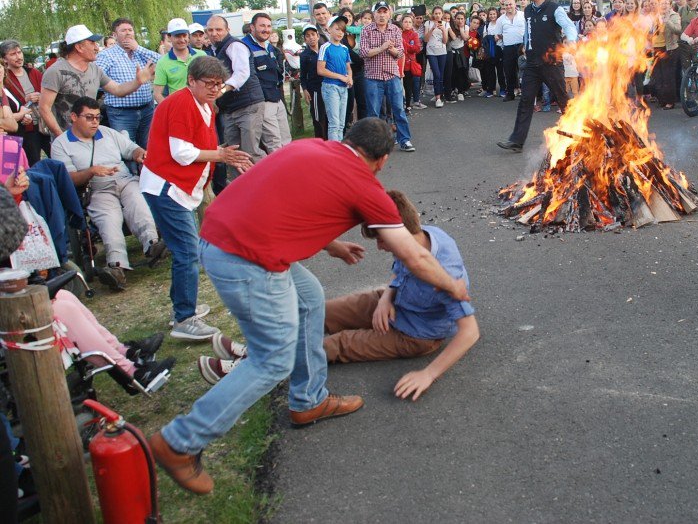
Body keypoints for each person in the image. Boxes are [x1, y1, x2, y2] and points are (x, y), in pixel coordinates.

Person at [149, 118, 470, 495]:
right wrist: (454, 286)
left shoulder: (311, 146)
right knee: (273, 361)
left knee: (309, 297)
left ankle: (308, 400)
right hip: (247, 259)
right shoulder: (367, 188)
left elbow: (285, 204)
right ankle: (180, 442)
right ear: (382, 160)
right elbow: (414, 257)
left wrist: (331, 245)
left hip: (220, 237)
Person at [322, 190, 479, 400]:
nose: (379, 247)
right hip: (396, 301)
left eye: (382, 240)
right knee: (322, 311)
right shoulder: (418, 236)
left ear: (400, 232)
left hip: (414, 335)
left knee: (337, 344)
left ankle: (279, 361)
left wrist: (428, 374)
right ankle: (274, 333)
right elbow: (400, 267)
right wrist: (386, 299)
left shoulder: (444, 274)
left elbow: (470, 332)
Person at [140, 56, 252, 340]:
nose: (215, 89)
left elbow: (202, 146)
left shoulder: (203, 105)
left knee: (187, 250)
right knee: (187, 252)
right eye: (209, 84)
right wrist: (220, 154)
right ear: (191, 81)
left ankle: (182, 308)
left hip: (177, 187)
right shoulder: (180, 103)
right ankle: (183, 318)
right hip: (166, 187)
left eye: (219, 84)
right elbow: (181, 152)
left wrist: (224, 155)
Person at [50, 96, 166, 289]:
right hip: (96, 187)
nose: (95, 122)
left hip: (124, 179)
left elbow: (131, 149)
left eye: (97, 117)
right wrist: (91, 171)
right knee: (108, 218)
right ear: (73, 117)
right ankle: (116, 266)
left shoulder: (106, 132)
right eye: (89, 117)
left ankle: (152, 243)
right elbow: (67, 178)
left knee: (138, 201)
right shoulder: (61, 144)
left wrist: (140, 155)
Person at [498, 0, 578, 152]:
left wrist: (571, 40)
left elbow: (569, 26)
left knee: (562, 98)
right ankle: (517, 141)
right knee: (526, 100)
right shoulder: (527, 10)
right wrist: (526, 46)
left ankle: (576, 134)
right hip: (532, 63)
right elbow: (528, 31)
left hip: (551, 63)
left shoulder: (554, 8)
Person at [40, 25, 155, 138]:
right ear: (79, 47)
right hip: (66, 138)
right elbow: (44, 108)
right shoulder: (55, 71)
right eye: (92, 43)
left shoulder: (94, 69)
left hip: (90, 137)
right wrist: (61, 138)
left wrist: (137, 81)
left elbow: (118, 90)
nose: (96, 47)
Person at [204, 15, 265, 178]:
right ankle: (240, 192)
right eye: (210, 30)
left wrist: (221, 91)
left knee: (251, 152)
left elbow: (242, 73)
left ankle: (271, 184)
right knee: (233, 153)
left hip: (248, 106)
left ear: (227, 30)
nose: (214, 33)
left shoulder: (235, 46)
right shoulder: (215, 50)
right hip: (230, 109)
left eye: (218, 29)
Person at [94, 18, 159, 147]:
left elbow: (163, 62)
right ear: (114, 35)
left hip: (147, 110)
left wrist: (138, 48)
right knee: (126, 148)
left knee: (149, 147)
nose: (128, 33)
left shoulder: (140, 53)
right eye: (123, 30)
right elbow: (97, 78)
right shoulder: (106, 55)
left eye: (130, 30)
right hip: (121, 113)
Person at [359, 2, 415, 152]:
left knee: (398, 109)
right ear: (374, 14)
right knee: (373, 113)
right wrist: (382, 47)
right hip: (373, 77)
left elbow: (401, 53)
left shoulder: (395, 30)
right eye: (379, 12)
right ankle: (374, 145)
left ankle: (404, 140)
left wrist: (392, 50)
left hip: (392, 75)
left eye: (385, 12)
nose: (382, 15)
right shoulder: (366, 30)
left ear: (389, 14)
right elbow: (364, 53)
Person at [242, 13, 291, 152]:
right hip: (262, 101)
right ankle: (279, 173)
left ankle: (291, 171)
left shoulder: (269, 46)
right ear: (252, 27)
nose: (266, 29)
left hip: (276, 97)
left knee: (286, 139)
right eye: (262, 26)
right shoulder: (245, 46)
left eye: (269, 26)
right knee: (274, 143)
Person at [1, 39, 49, 165]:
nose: (18, 56)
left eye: (19, 52)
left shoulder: (33, 72)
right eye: (13, 54)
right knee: (34, 162)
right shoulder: (6, 79)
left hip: (43, 123)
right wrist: (25, 100)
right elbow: (8, 106)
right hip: (26, 128)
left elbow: (48, 92)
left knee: (56, 157)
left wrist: (40, 96)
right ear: (4, 59)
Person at [153, 18, 207, 104]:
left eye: (184, 35)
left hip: (202, 108)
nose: (182, 40)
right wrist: (170, 110)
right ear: (170, 37)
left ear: (188, 36)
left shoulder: (201, 55)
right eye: (178, 36)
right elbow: (157, 94)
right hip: (179, 110)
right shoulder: (162, 63)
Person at [317, 17, 352, 141]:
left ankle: (339, 149)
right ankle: (333, 152)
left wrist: (350, 78)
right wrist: (340, 77)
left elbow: (348, 67)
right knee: (334, 123)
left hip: (343, 87)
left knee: (341, 123)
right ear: (329, 29)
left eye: (342, 30)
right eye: (337, 29)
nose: (339, 32)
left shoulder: (344, 48)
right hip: (331, 86)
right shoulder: (325, 47)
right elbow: (321, 70)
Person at [298, 24, 327, 139]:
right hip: (315, 89)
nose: (311, 38)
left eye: (313, 34)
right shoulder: (305, 55)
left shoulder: (325, 49)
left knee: (329, 115)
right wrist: (304, 89)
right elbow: (303, 75)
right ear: (305, 39)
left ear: (318, 35)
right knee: (318, 117)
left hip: (328, 86)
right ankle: (320, 140)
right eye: (308, 36)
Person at [496, 0, 525, 102]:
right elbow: (498, 35)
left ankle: (525, 93)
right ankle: (510, 93)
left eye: (510, 4)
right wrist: (502, 47)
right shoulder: (500, 20)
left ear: (514, 5)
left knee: (524, 71)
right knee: (509, 72)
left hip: (522, 47)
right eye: (506, 5)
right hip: (508, 47)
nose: (508, 6)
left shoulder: (523, 15)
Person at [423, 6, 449, 108]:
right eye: (436, 13)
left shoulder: (446, 24)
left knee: (440, 75)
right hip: (431, 52)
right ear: (433, 14)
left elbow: (445, 41)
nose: (437, 15)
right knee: (436, 73)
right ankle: (438, 98)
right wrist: (432, 28)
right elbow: (425, 39)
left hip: (442, 52)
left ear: (442, 14)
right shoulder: (428, 23)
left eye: (439, 13)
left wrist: (443, 30)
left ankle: (438, 94)